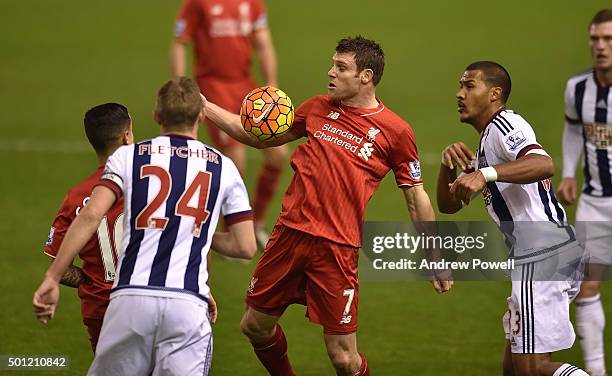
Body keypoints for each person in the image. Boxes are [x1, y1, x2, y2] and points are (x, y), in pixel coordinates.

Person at [204, 36, 451, 376]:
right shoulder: (317, 107)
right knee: (254, 326)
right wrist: (204, 106)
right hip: (288, 236)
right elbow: (255, 136)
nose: (330, 72)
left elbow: (416, 198)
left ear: (366, 76)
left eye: (341, 67)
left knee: (344, 359)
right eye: (332, 64)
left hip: (337, 249)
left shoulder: (395, 131)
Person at [33, 78, 257, 375]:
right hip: (187, 302)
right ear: (201, 116)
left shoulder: (129, 156)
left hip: (129, 300)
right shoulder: (222, 166)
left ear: (156, 116)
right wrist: (192, 228)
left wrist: (52, 277)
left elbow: (89, 215)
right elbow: (245, 247)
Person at [438, 61, 587, 376]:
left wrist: (485, 174)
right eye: (460, 85)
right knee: (514, 369)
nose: (459, 94)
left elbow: (543, 164)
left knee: (532, 369)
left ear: (494, 94)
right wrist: (447, 167)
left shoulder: (506, 125)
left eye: (469, 86)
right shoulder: (485, 145)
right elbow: (449, 205)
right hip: (543, 253)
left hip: (542, 253)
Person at [170, 0, 288, 245]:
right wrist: (180, 84)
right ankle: (230, 232)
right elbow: (180, 42)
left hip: (247, 88)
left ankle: (256, 224)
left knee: (278, 154)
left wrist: (271, 83)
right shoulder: (197, 3)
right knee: (237, 161)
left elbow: (263, 43)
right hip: (213, 86)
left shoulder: (252, 3)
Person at [43, 103, 133, 352]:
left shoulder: (75, 198)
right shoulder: (153, 187)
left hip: (100, 311)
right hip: (148, 302)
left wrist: (91, 281)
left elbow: (57, 265)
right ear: (127, 136)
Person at [556, 9, 612, 376]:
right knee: (587, 285)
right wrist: (567, 172)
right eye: (595, 39)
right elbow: (574, 130)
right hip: (594, 202)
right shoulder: (577, 88)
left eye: (608, 39)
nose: (601, 47)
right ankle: (596, 371)